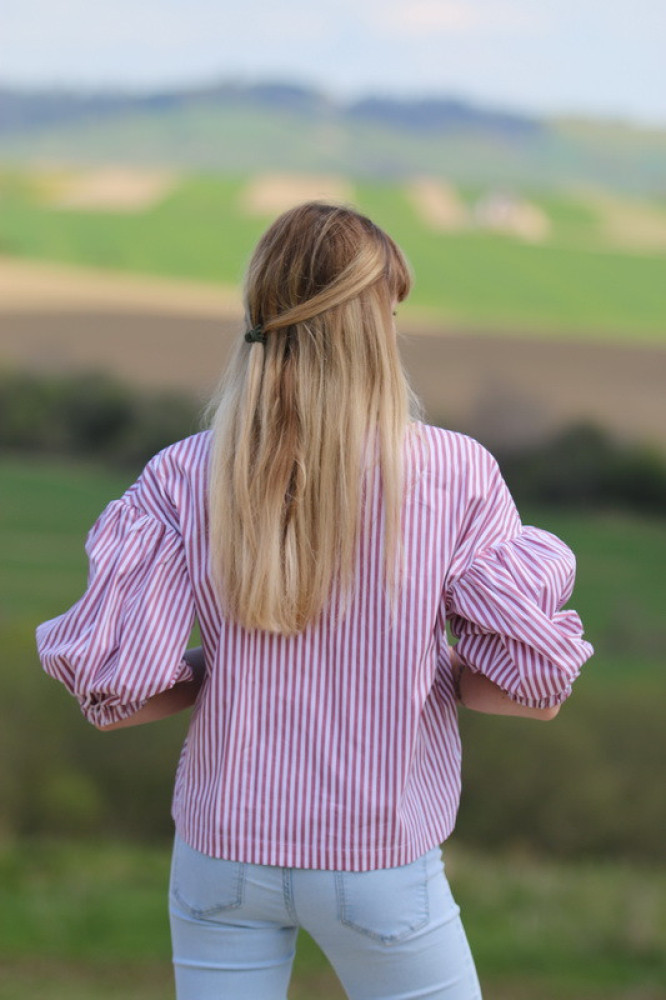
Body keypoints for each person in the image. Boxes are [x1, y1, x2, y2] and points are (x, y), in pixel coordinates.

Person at [36, 202, 593, 1000]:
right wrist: (428, 670)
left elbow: (118, 701)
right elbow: (531, 693)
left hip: (221, 856)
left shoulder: (183, 474)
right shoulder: (454, 474)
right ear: (373, 327)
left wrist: (215, 673)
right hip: (377, 858)